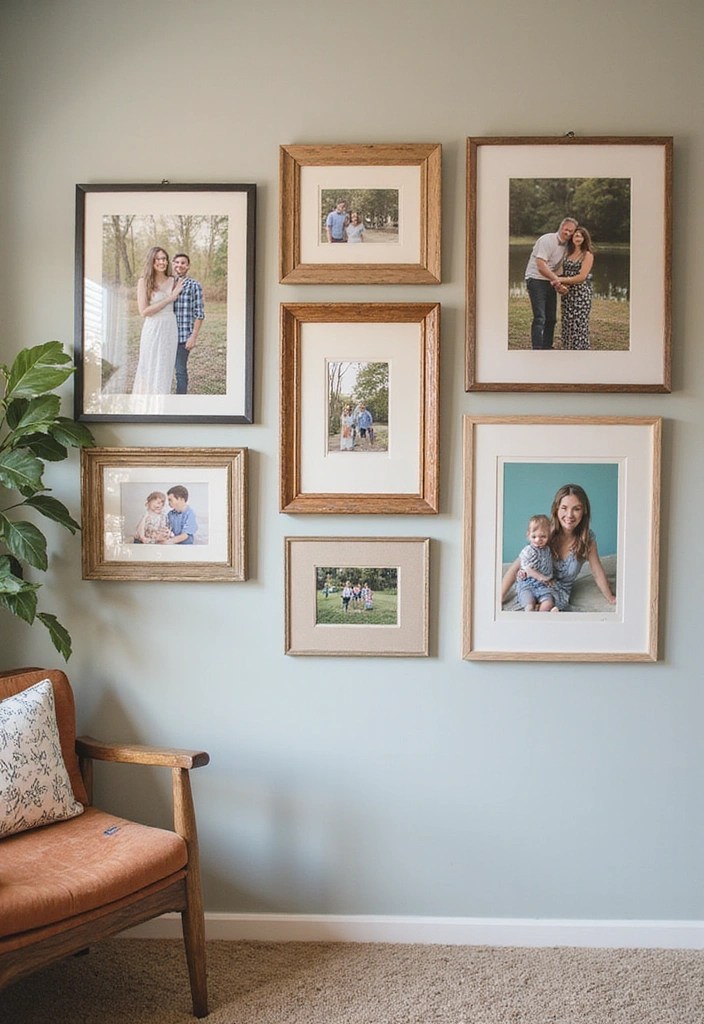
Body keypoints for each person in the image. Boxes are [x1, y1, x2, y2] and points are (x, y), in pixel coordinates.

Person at [502, 484, 616, 611]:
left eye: (576, 509)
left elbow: (597, 571)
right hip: (531, 586)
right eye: (564, 508)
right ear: (556, 509)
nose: (569, 515)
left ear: (584, 511)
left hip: (557, 596)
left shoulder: (587, 540)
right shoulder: (546, 532)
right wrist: (499, 597)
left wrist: (611, 598)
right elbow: (519, 565)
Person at [132, 247, 184, 395]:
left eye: (164, 259)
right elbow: (144, 312)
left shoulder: (174, 281)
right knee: (148, 365)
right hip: (153, 327)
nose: (162, 262)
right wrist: (170, 298)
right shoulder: (144, 282)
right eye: (158, 259)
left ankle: (162, 400)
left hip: (169, 327)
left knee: (164, 366)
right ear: (152, 261)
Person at [524, 217, 577, 350]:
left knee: (552, 318)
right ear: (561, 228)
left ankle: (547, 347)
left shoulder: (567, 246)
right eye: (567, 229)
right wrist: (557, 281)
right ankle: (537, 349)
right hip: (535, 279)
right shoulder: (547, 240)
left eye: (572, 231)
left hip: (549, 280)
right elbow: (541, 265)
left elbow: (559, 268)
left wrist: (561, 284)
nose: (569, 233)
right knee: (540, 317)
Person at [555, 226, 594, 350]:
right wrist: (560, 283)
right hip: (567, 293)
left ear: (584, 238)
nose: (578, 238)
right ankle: (568, 349)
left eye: (580, 236)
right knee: (567, 322)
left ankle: (580, 350)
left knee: (579, 322)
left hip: (581, 294)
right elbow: (562, 271)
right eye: (575, 235)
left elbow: (581, 277)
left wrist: (560, 280)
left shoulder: (587, 255)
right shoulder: (567, 253)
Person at [172, 253, 205, 394]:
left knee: (180, 371)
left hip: (183, 336)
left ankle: (181, 401)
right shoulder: (167, 283)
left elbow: (199, 313)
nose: (180, 265)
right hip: (165, 334)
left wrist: (193, 336)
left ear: (188, 266)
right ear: (173, 264)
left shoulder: (194, 285)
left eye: (183, 263)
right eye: (177, 262)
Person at [515, 514, 557, 612]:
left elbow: (549, 566)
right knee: (529, 604)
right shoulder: (528, 550)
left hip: (543, 586)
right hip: (528, 584)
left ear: (549, 536)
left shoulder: (547, 550)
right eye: (534, 536)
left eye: (543, 536)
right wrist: (542, 577)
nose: (538, 540)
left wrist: (550, 578)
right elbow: (528, 569)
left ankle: (542, 612)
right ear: (528, 535)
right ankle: (531, 610)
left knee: (549, 602)